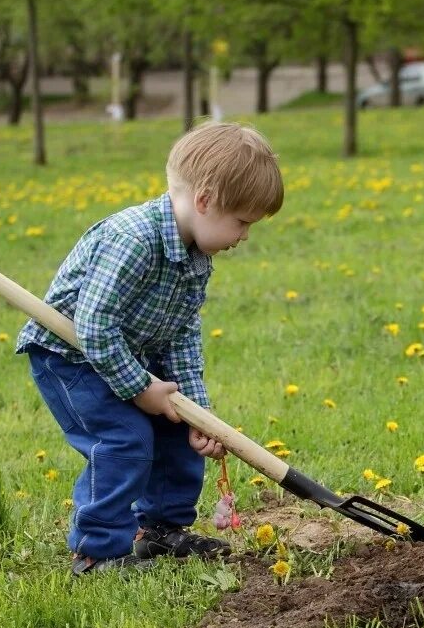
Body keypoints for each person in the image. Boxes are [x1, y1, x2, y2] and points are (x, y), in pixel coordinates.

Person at [16, 122, 284, 575]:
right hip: (70, 357)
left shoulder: (196, 254)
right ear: (204, 201)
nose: (244, 236)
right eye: (242, 222)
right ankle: (97, 551)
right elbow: (94, 327)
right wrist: (140, 389)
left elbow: (180, 334)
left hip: (126, 354)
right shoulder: (133, 240)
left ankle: (159, 530)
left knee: (175, 430)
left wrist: (197, 413)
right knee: (125, 441)